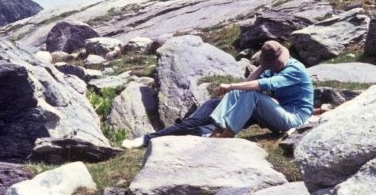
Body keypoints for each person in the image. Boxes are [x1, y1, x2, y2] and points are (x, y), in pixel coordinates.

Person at [123, 41, 314, 148]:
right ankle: (217, 130)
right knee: (240, 93)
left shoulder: (294, 69)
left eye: (276, 63)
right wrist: (263, 66)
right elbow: (249, 83)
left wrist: (230, 86)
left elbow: (261, 85)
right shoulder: (272, 66)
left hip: (294, 118)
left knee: (250, 94)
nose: (276, 66)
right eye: (272, 64)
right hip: (277, 113)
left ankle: (226, 134)